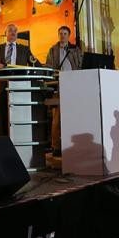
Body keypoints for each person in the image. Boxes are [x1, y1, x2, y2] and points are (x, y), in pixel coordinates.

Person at [0, 23, 40, 136]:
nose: (13, 32)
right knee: (2, 118)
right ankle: (3, 144)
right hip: (1, 88)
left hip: (19, 88)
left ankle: (18, 140)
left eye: (15, 31)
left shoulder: (24, 49)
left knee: (18, 116)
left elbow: (35, 63)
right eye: (10, 30)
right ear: (5, 34)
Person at [45, 25, 82, 157]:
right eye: (60, 33)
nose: (62, 35)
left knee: (73, 115)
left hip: (73, 85)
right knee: (57, 118)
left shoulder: (75, 50)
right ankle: (56, 146)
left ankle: (72, 144)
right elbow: (49, 66)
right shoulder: (53, 50)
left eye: (65, 33)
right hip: (58, 84)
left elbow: (79, 65)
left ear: (69, 35)